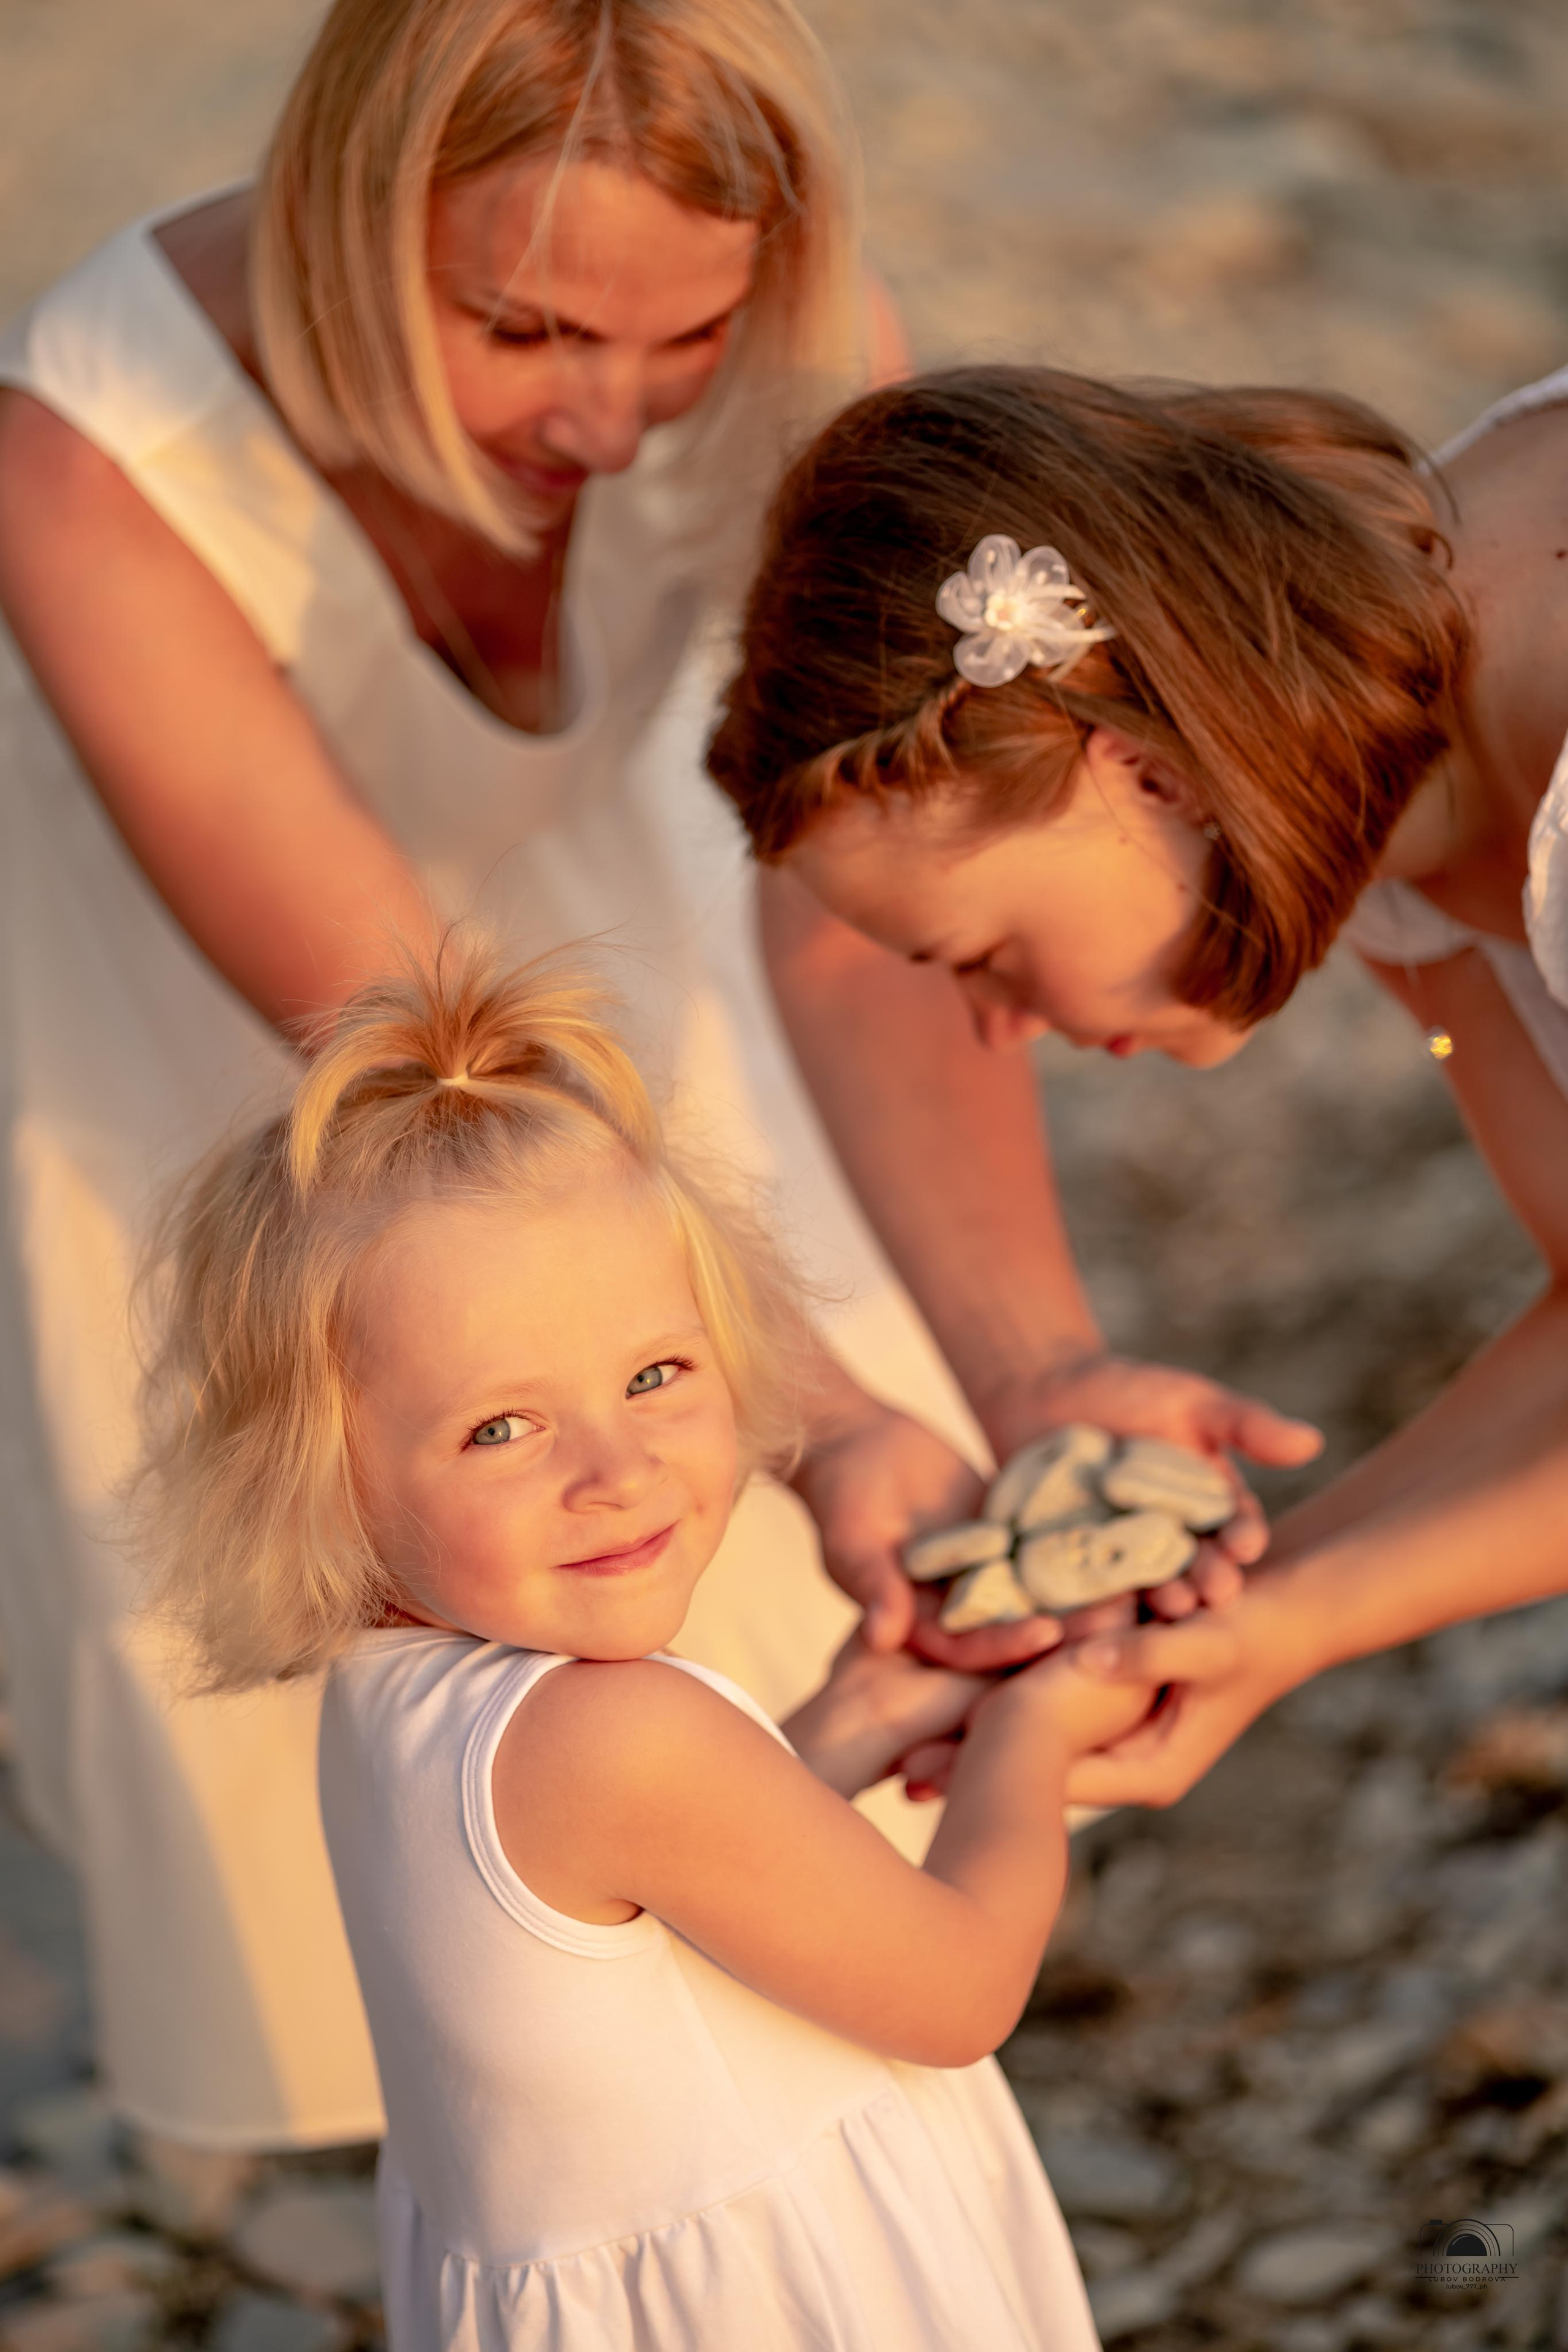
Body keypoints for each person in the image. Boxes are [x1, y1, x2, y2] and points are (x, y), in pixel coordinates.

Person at [0, 0, 979, 2158]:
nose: (616, 422)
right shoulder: (87, 464)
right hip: (320, 1047)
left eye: (686, 337)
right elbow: (433, 1060)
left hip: (587, 938)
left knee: (739, 1513)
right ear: (355, 221)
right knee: (448, 1493)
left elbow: (879, 896)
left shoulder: (814, 354)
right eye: (525, 327)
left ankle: (793, 2033)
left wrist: (1031, 1359)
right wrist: (814, 1407)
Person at [134, 938, 1140, 2351]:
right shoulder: (616, 1733)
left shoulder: (400, 1698)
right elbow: (958, 1991)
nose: (615, 1469)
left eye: (657, 1375)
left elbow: (630, 1894)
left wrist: (843, 1724)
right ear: (314, 1478)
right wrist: (1035, 1730)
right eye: (502, 1427)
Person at [704, 359, 1568, 1801]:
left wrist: (1287, 1621)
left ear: (1145, 774)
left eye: (979, 952)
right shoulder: (1368, 739)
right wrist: (1235, 1621)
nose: (994, 1027)